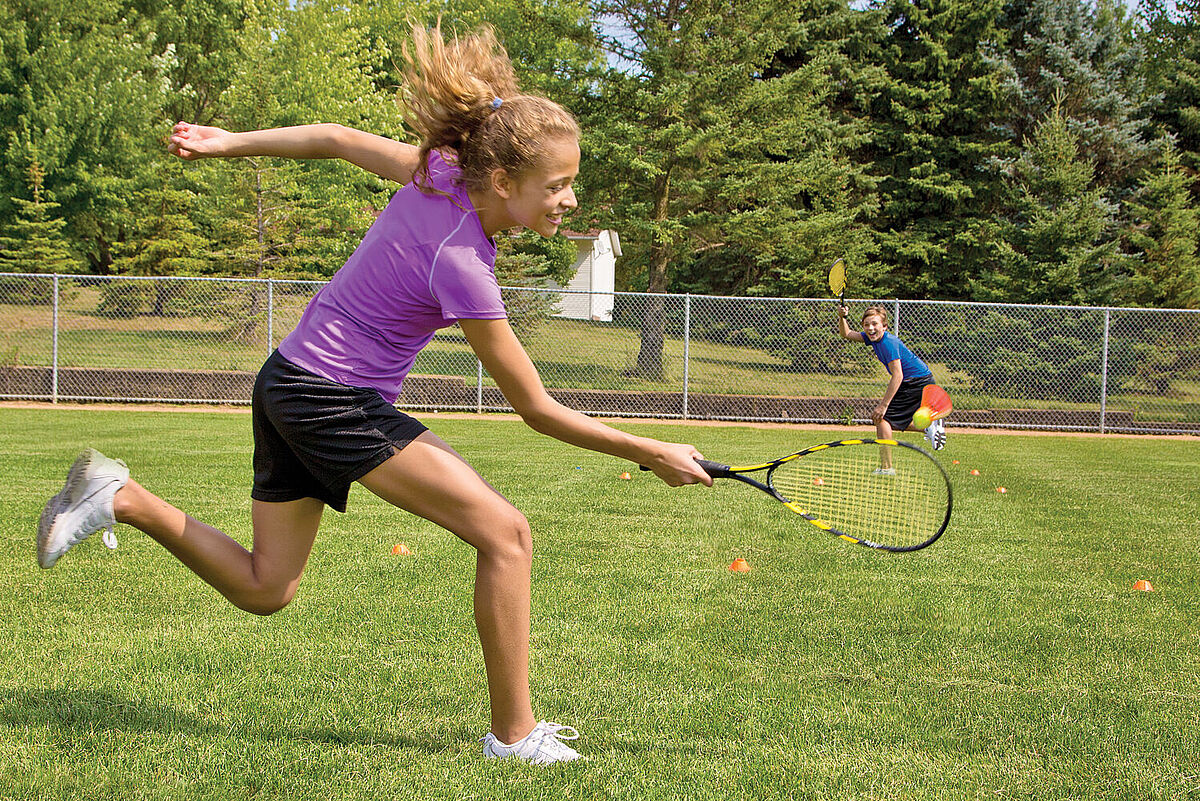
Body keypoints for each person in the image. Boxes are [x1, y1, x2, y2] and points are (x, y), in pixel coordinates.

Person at [36, 23, 712, 766]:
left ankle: (120, 496)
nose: (570, 199)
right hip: (329, 397)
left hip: (287, 380)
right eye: (555, 186)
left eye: (570, 181)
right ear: (502, 184)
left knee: (268, 586)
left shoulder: (437, 175)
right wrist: (652, 449)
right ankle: (515, 736)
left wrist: (229, 141)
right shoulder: (462, 262)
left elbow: (332, 137)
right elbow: (536, 409)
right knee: (506, 533)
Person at [837, 303, 946, 465]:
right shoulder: (872, 338)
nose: (870, 328)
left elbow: (898, 375)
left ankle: (886, 467)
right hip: (916, 381)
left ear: (885, 326)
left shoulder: (888, 343)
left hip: (915, 382)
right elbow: (846, 333)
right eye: (866, 325)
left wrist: (883, 405)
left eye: (875, 324)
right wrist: (842, 316)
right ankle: (928, 426)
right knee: (887, 421)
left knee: (882, 419)